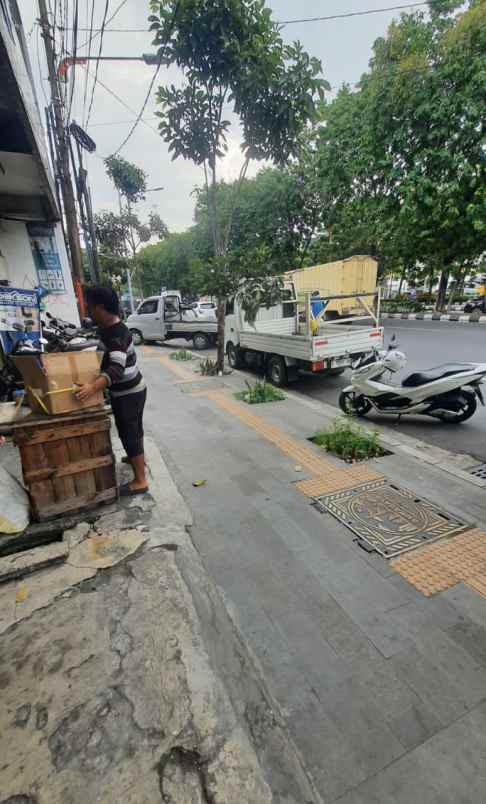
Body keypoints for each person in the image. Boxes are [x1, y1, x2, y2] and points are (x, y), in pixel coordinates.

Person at [76, 286, 148, 497]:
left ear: (100, 308)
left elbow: (116, 370)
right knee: (136, 430)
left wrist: (91, 387)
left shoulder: (117, 334)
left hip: (129, 393)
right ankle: (137, 457)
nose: (87, 310)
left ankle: (140, 481)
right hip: (135, 388)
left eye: (89, 306)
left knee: (128, 434)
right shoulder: (107, 328)